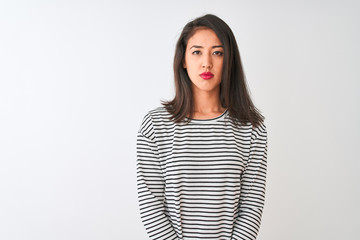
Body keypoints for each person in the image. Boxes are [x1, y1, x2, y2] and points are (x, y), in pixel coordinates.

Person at [136, 14, 268, 240]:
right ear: (184, 60)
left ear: (229, 61)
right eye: (197, 51)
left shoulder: (252, 128)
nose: (207, 62)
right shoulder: (155, 126)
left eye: (217, 52)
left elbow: (251, 207)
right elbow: (151, 206)